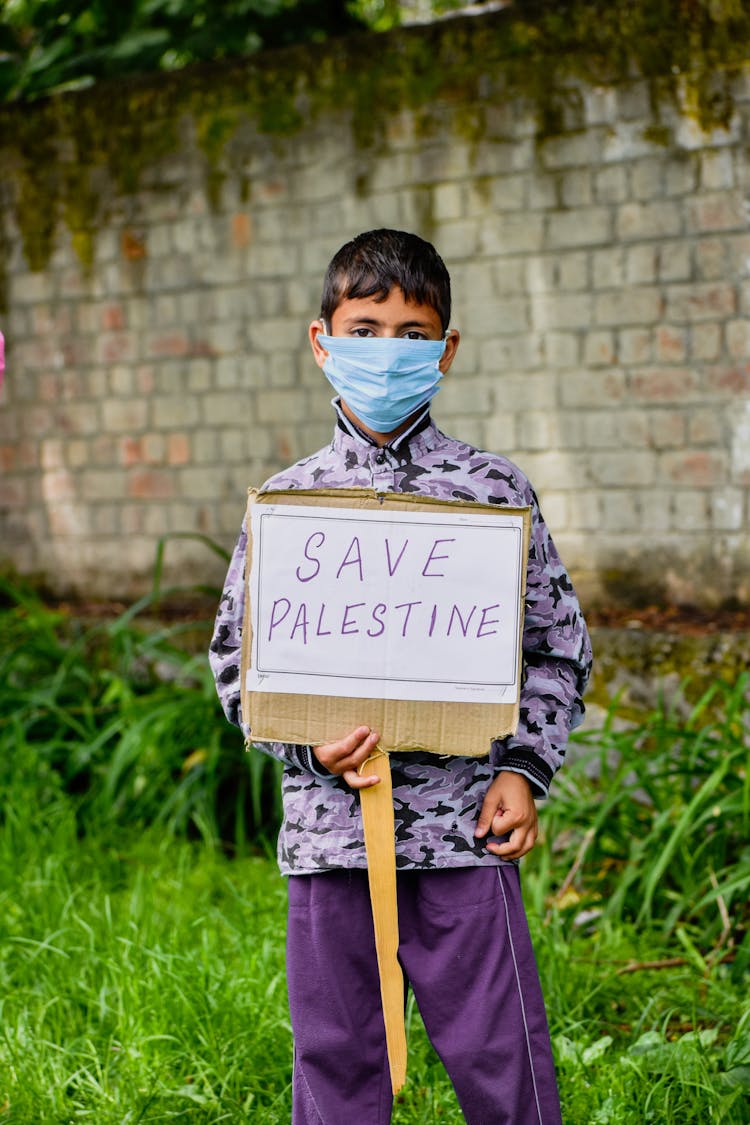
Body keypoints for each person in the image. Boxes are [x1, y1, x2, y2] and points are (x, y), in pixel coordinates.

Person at [209, 229, 592, 1125]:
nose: (390, 352)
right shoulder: (289, 501)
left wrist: (521, 770)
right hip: (331, 841)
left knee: (505, 1062)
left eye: (414, 333)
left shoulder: (494, 494)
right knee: (338, 1064)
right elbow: (237, 658)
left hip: (465, 835)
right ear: (323, 340)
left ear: (446, 349)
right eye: (367, 329)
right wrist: (308, 747)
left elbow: (558, 645)